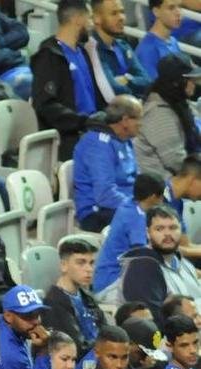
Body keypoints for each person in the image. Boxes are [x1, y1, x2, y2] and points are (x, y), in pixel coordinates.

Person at [30, 0, 110, 161]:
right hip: (70, 139)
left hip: (93, 131)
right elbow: (45, 105)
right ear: (78, 19)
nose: (93, 24)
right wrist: (83, 122)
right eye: (90, 18)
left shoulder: (83, 52)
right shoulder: (49, 56)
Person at [72, 96, 143, 232]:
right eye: (138, 118)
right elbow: (105, 195)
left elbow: (136, 180)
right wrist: (138, 207)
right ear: (125, 120)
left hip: (124, 205)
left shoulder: (125, 140)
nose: (141, 123)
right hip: (97, 213)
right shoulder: (98, 145)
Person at [121, 206, 201, 318]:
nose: (167, 233)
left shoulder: (184, 264)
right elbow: (154, 320)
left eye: (173, 228)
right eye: (159, 229)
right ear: (148, 233)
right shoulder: (142, 267)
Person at [134, 54, 201, 178]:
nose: (194, 84)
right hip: (163, 186)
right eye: (190, 80)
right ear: (177, 82)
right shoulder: (158, 113)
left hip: (186, 173)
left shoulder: (178, 101)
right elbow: (177, 162)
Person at [42, 238, 106, 354]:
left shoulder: (86, 296)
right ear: (64, 265)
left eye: (91, 263)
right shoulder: (54, 303)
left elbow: (105, 329)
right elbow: (77, 348)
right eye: (81, 263)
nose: (89, 269)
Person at [89, 0, 151, 98]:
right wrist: (133, 86)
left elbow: (147, 81)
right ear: (97, 18)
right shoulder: (91, 49)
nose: (121, 17)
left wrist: (127, 79)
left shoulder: (123, 46)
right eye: (114, 13)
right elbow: (113, 88)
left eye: (122, 12)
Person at [134, 0, 184, 79]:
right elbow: (154, 88)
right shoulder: (147, 50)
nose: (178, 13)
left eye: (180, 7)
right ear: (156, 12)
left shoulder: (173, 41)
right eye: (171, 8)